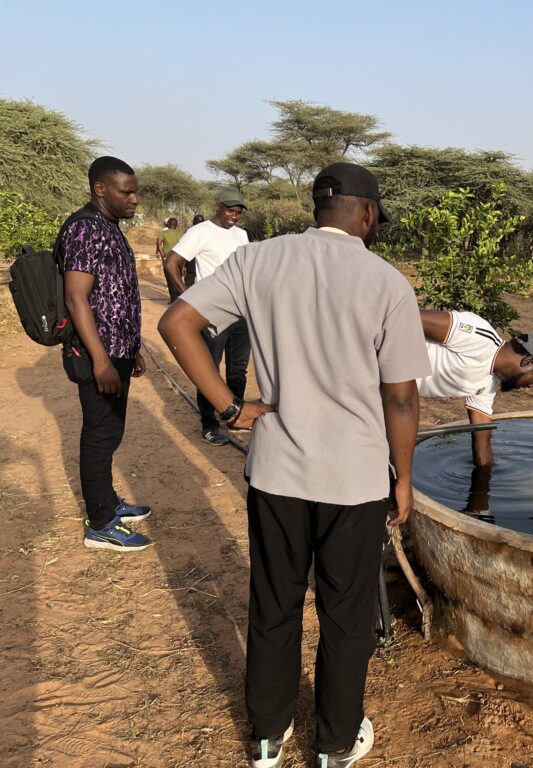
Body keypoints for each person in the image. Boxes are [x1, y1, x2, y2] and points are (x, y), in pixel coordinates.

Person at [158, 161, 428, 768]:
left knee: (275, 604)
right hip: (355, 480)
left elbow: (177, 322)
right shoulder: (387, 283)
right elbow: (402, 397)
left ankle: (265, 739)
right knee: (346, 613)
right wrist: (404, 478)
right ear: (365, 213)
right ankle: (334, 743)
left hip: (277, 470)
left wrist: (229, 409)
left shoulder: (258, 261)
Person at [57, 156, 152, 551]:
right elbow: (77, 299)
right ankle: (99, 524)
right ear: (101, 189)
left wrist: (134, 347)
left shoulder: (107, 227)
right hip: (98, 356)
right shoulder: (83, 229)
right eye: (125, 191)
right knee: (99, 435)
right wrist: (100, 360)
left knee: (110, 432)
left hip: (118, 352)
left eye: (135, 191)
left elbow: (118, 295)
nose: (134, 199)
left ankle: (108, 502)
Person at [164, 189, 251, 445]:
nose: (233, 216)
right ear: (218, 206)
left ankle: (235, 416)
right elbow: (171, 263)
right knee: (208, 369)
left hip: (241, 311)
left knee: (238, 370)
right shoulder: (200, 232)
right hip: (212, 312)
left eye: (238, 212)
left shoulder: (242, 235)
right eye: (229, 210)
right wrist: (189, 298)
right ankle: (210, 424)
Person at [416, 309, 533, 467]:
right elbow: (408, 315)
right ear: (527, 362)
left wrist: (487, 481)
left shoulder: (489, 385)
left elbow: (481, 441)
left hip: (389, 392)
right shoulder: (479, 338)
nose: (531, 386)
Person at [156, 217, 183, 303]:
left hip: (168, 259)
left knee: (170, 279)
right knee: (178, 278)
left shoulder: (163, 233)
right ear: (176, 225)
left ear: (168, 224)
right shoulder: (181, 234)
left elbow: (159, 243)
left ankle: (173, 299)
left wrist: (162, 254)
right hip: (179, 259)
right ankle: (180, 298)